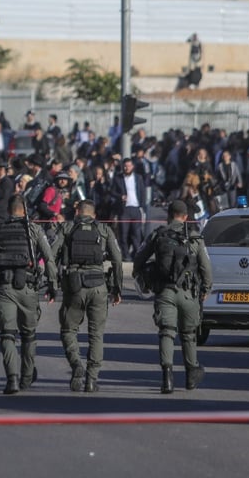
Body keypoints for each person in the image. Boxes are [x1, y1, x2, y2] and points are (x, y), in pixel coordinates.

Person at [0, 195, 57, 395]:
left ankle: (11, 380)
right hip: (28, 289)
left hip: (4, 288)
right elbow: (49, 258)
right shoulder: (33, 229)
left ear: (9, 210)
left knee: (7, 335)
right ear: (24, 211)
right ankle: (26, 376)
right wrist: (53, 285)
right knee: (28, 335)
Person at [133, 200, 212, 393]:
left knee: (166, 333)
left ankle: (167, 379)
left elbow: (138, 260)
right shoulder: (195, 238)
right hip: (188, 294)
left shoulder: (157, 235)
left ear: (169, 215)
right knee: (188, 335)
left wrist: (148, 277)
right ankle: (191, 375)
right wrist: (205, 291)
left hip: (164, 292)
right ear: (186, 217)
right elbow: (206, 269)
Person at [49, 199, 123, 392]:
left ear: (77, 212)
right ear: (94, 215)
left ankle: (76, 366)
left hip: (74, 286)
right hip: (98, 286)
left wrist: (52, 284)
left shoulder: (67, 227)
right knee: (96, 335)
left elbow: (50, 255)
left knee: (68, 330)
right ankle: (91, 379)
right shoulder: (104, 230)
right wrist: (117, 289)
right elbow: (117, 259)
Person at [116, 157, 148, 259]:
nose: (127, 168)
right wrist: (120, 197)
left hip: (136, 208)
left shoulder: (138, 178)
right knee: (123, 234)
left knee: (136, 234)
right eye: (125, 166)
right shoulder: (118, 178)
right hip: (124, 209)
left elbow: (143, 193)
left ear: (132, 167)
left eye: (129, 166)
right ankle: (126, 255)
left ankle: (137, 255)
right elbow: (112, 192)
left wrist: (143, 209)